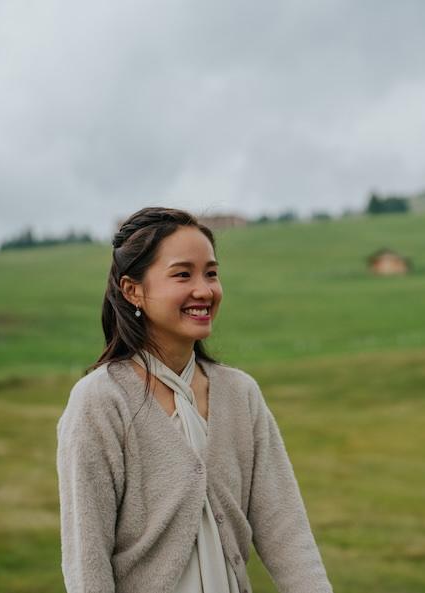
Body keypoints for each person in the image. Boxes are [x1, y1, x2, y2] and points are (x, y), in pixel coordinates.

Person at [57, 207, 332, 593]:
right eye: (183, 274)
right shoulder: (100, 401)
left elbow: (288, 533)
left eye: (212, 273)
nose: (204, 290)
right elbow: (87, 561)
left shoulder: (241, 394)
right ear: (132, 289)